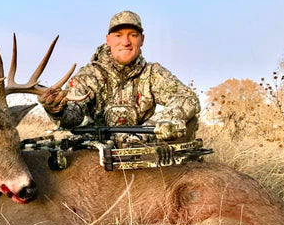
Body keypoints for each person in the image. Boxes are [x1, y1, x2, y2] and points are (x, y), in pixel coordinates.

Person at [39, 11, 200, 144]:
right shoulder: (90, 75)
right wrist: (57, 109)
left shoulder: (152, 73)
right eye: (118, 35)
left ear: (142, 40)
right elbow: (74, 115)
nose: (125, 42)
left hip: (145, 146)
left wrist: (149, 129)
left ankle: (178, 173)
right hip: (99, 152)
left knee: (187, 120)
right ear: (108, 40)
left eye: (133, 35)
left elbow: (188, 99)